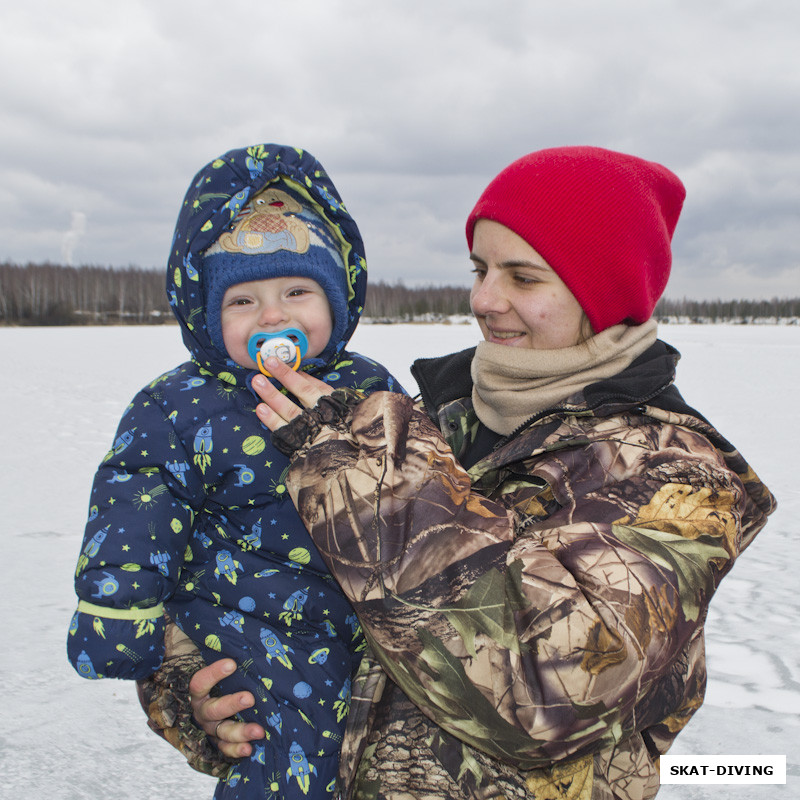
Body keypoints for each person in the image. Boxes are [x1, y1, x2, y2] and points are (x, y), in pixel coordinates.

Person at [142, 146, 776, 800]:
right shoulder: (419, 419)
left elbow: (540, 695)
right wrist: (200, 697)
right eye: (480, 268)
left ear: (603, 289)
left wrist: (353, 477)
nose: (484, 298)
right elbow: (253, 574)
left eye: (523, 278)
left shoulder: (678, 479)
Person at [67, 143, 404, 800]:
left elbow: (420, 483)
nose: (273, 317)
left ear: (338, 298)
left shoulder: (371, 386)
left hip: (359, 625)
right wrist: (116, 616)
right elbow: (134, 507)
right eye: (243, 301)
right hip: (244, 625)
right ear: (205, 312)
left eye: (297, 292)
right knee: (281, 759)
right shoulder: (177, 405)